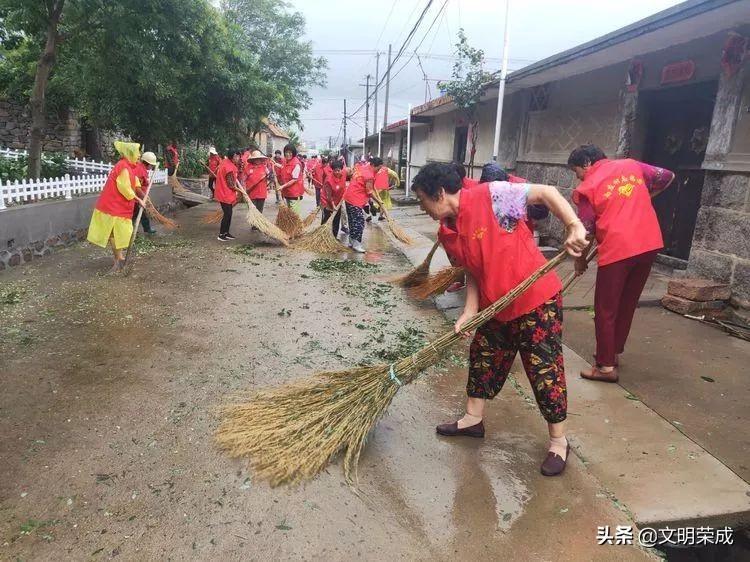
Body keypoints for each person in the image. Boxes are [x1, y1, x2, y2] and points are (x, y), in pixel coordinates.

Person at [411, 162, 588, 476]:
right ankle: (472, 420)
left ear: (439, 193)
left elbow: (546, 193)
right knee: (483, 356)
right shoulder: (450, 227)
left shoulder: (492, 195)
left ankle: (559, 441)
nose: (423, 208)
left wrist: (574, 225)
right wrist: (470, 310)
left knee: (543, 369)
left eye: (423, 200)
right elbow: (473, 270)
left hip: (535, 298)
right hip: (497, 304)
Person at [568, 144, 675, 383]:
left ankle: (605, 368)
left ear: (587, 163)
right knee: (626, 303)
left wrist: (579, 262)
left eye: (577, 172)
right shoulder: (632, 165)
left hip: (618, 248)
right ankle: (611, 354)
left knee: (606, 308)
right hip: (648, 243)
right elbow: (668, 176)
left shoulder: (587, 187)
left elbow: (585, 231)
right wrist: (644, 197)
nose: (578, 178)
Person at [86, 141, 146, 272]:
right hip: (113, 206)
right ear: (130, 153)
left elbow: (134, 181)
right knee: (115, 233)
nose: (139, 155)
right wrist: (138, 199)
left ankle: (119, 258)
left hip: (117, 206)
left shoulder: (129, 166)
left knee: (118, 234)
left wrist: (140, 192)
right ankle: (119, 259)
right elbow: (124, 187)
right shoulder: (123, 167)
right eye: (137, 153)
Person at [342, 156, 374, 253]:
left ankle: (352, 242)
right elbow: (369, 192)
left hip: (348, 198)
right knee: (359, 222)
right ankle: (357, 244)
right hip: (355, 200)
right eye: (379, 168)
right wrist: (378, 202)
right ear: (374, 166)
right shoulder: (369, 175)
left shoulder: (361, 169)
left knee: (352, 221)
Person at [214, 149, 242, 242]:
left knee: (229, 214)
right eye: (237, 156)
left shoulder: (225, 162)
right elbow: (231, 185)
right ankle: (221, 234)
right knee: (227, 214)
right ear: (233, 156)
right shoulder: (229, 167)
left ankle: (226, 233)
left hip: (223, 192)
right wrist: (240, 191)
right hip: (224, 193)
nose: (239, 158)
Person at [131, 151, 158, 235]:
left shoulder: (141, 168)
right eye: (152, 165)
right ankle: (131, 231)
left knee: (142, 213)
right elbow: (137, 187)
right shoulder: (140, 171)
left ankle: (146, 228)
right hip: (136, 197)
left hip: (138, 197)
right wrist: (143, 198)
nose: (152, 167)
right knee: (134, 214)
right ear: (148, 163)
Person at [321, 158, 347, 236]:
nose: (337, 172)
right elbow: (329, 196)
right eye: (335, 170)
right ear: (332, 170)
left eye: (339, 170)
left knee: (336, 219)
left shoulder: (343, 175)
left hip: (338, 201)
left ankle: (334, 236)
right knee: (327, 219)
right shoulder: (329, 180)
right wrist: (333, 206)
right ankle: (323, 235)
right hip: (327, 202)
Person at [277, 144, 305, 215]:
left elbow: (294, 179)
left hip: (294, 193)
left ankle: (296, 226)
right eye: (286, 152)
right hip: (287, 192)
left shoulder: (296, 164)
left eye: (290, 152)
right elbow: (285, 168)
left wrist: (282, 186)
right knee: (289, 212)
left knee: (294, 214)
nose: (288, 154)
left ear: (293, 153)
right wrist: (278, 165)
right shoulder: (286, 161)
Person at [369, 156, 399, 221]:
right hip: (384, 189)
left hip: (376, 189)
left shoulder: (371, 169)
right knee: (383, 202)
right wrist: (397, 183)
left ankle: (371, 215)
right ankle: (380, 215)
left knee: (376, 201)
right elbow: (395, 174)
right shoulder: (386, 169)